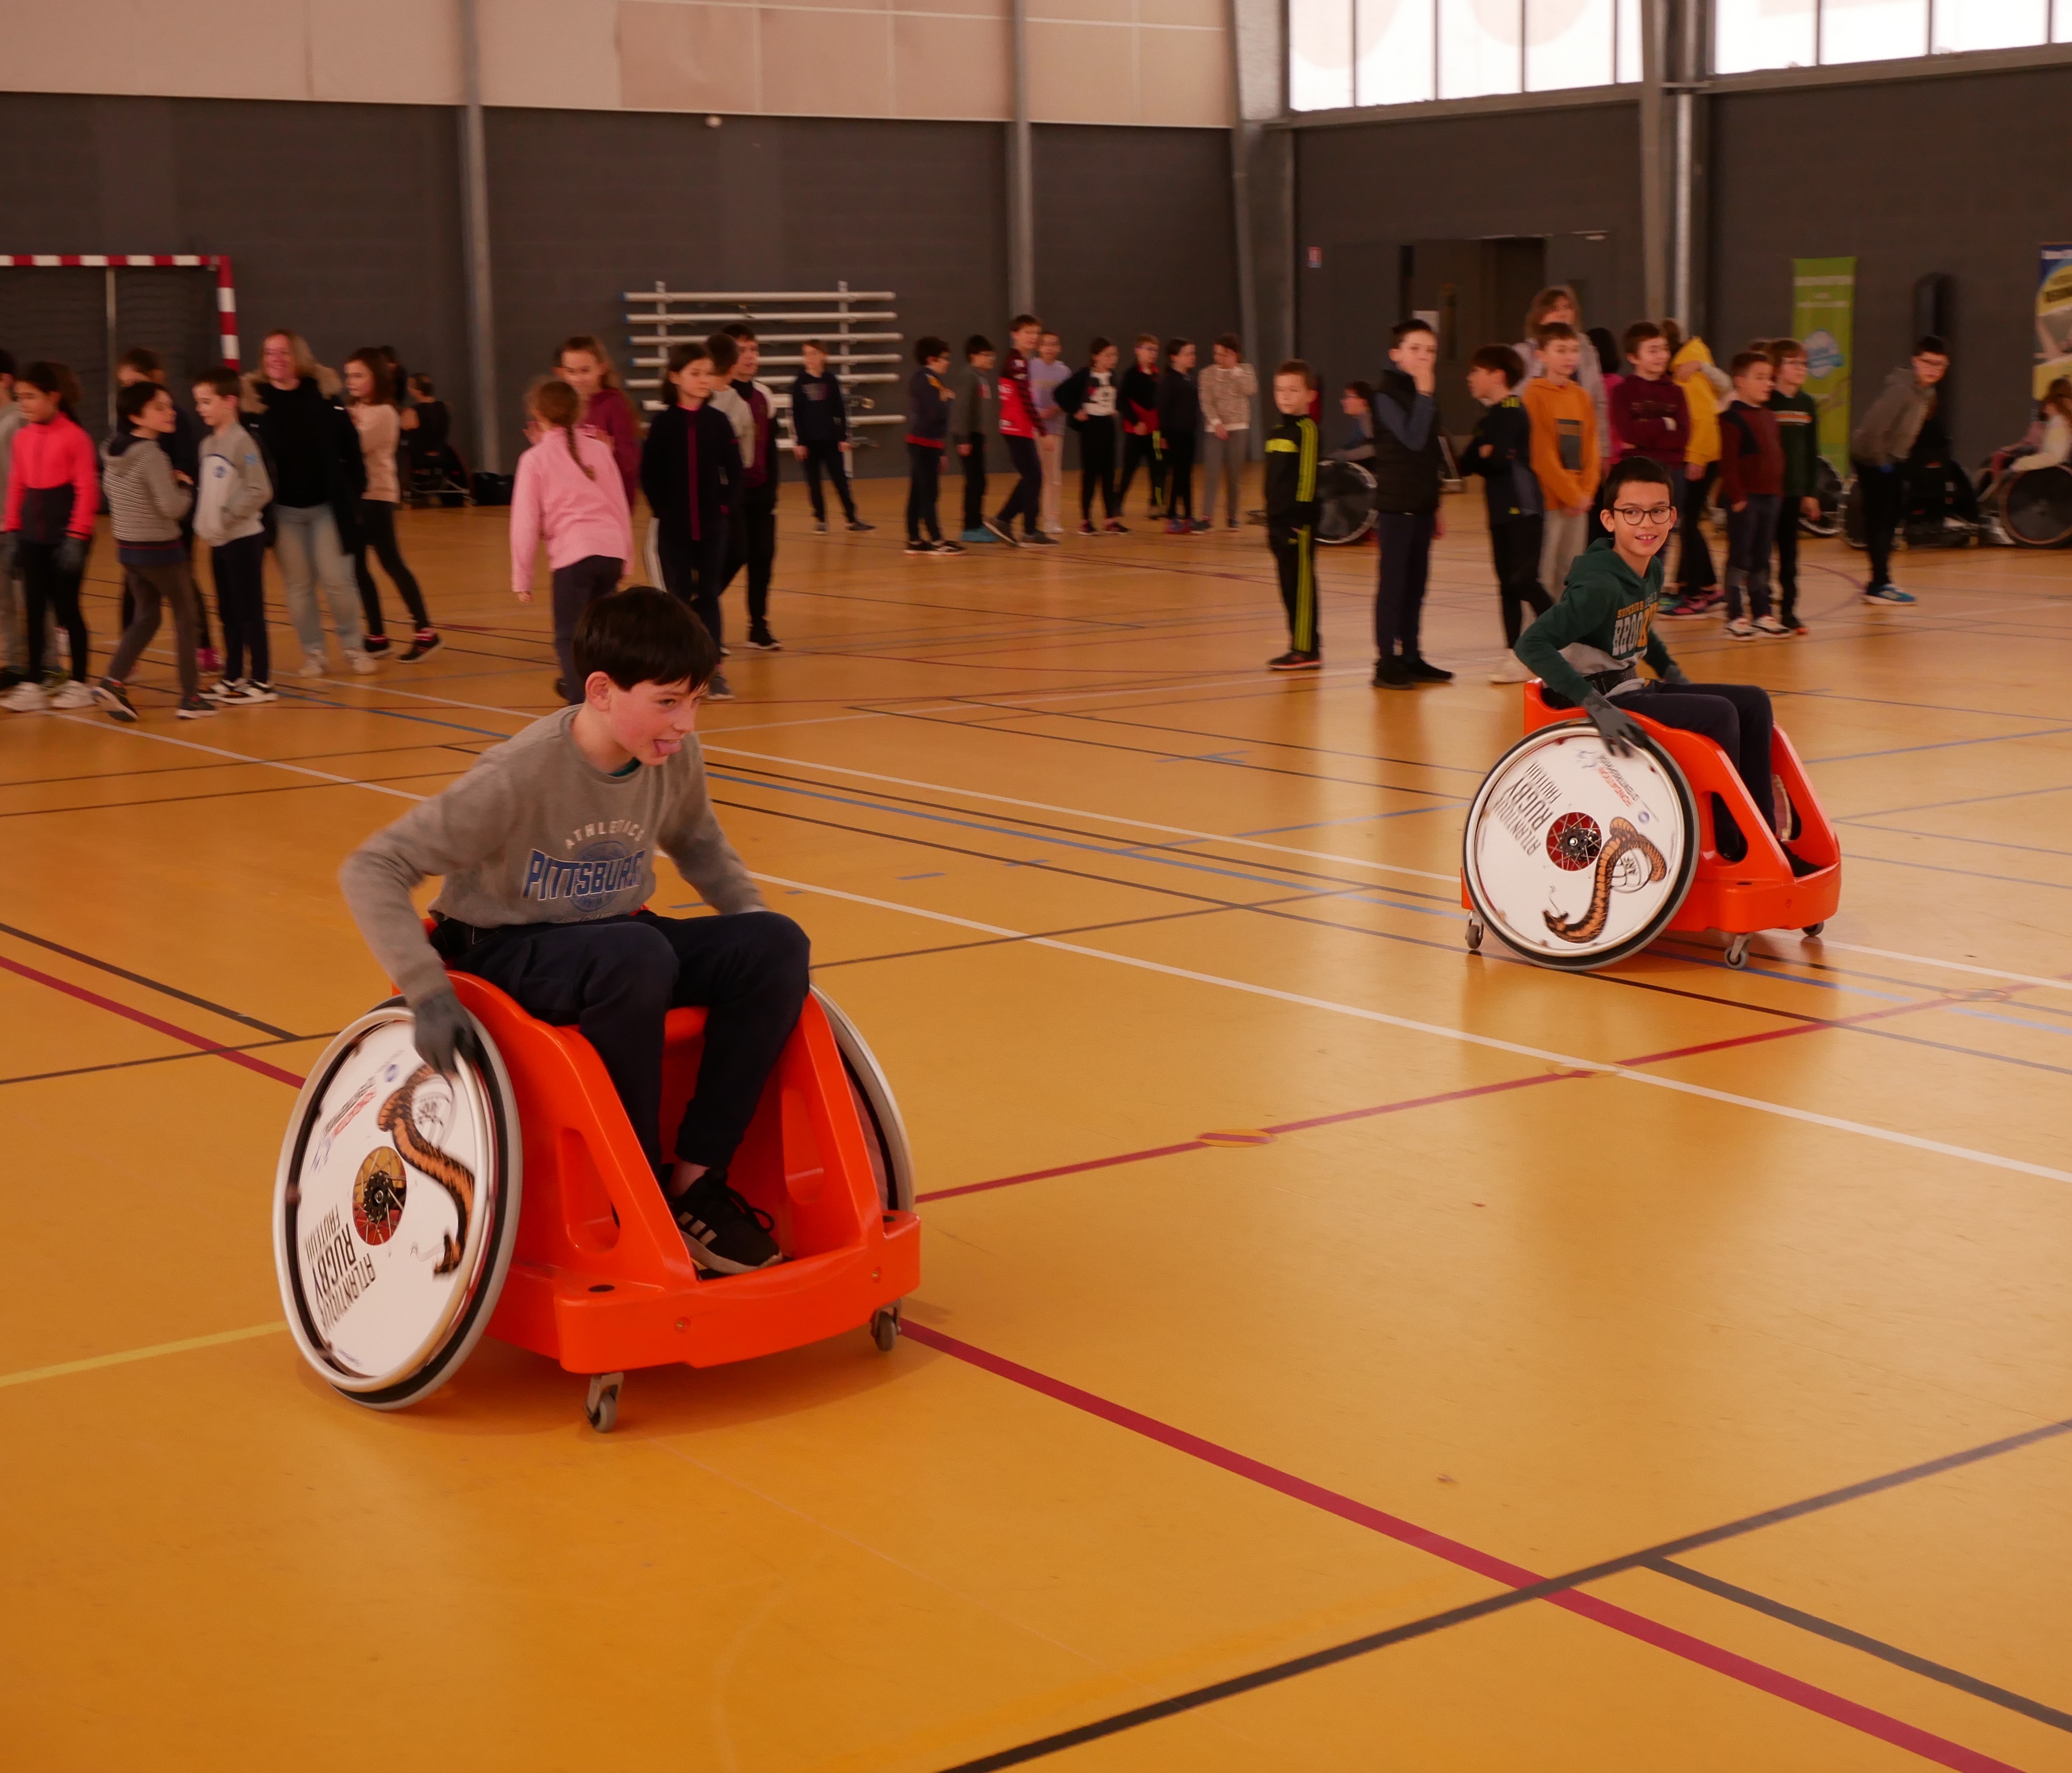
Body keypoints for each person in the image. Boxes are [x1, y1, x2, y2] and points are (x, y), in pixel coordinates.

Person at [340, 586, 810, 1273]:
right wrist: (428, 993)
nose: (684, 722)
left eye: (696, 700)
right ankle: (635, 1185)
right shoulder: (518, 774)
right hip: (502, 950)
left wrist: (760, 945)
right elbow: (373, 867)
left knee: (776, 943)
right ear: (600, 690)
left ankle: (695, 1186)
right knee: (636, 953)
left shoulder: (672, 756)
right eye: (667, 701)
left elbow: (701, 848)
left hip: (616, 940)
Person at [1516, 456, 1809, 871]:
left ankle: (1762, 836)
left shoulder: (1649, 570)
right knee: (1720, 715)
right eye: (1631, 512)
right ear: (1609, 519)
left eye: (1657, 512)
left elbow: (1638, 629)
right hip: (1592, 702)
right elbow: (1533, 644)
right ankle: (1734, 849)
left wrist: (1672, 673)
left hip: (1626, 689)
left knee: (1754, 702)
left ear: (1672, 517)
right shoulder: (1597, 586)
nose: (1646, 523)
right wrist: (1594, 705)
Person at [248, 330, 372, 676]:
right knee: (299, 587)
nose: (275, 359)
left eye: (283, 353)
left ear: (298, 357)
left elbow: (351, 449)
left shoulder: (324, 397)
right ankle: (313, 652)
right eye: (269, 353)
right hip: (283, 512)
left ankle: (353, 646)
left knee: (337, 580)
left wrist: (353, 490)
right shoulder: (255, 403)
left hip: (327, 508)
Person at [94, 381, 210, 721]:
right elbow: (172, 507)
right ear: (135, 415)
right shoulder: (152, 455)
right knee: (187, 617)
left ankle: (113, 681)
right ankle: (191, 697)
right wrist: (186, 487)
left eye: (170, 406)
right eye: (159, 407)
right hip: (161, 551)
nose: (169, 412)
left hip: (129, 550)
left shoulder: (112, 450)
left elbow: (131, 495)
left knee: (148, 616)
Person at [512, 376, 631, 701]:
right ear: (580, 411)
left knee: (569, 637)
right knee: (600, 634)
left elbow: (524, 521)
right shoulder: (598, 450)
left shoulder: (535, 459)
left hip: (574, 558)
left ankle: (583, 703)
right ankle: (612, 696)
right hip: (610, 553)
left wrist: (522, 577)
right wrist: (626, 558)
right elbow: (619, 505)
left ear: (538, 413)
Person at [640, 341, 742, 699]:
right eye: (695, 374)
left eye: (707, 374)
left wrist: (725, 506)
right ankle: (681, 670)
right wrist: (663, 509)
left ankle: (714, 670)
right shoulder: (664, 424)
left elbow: (733, 471)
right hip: (675, 530)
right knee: (680, 599)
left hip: (713, 528)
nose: (703, 380)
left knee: (710, 597)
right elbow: (649, 474)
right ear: (675, 377)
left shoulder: (719, 422)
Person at [0, 361, 99, 712]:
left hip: (65, 538)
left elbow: (88, 489)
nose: (23, 404)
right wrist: (11, 531)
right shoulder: (23, 438)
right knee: (34, 608)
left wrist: (77, 536)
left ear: (53, 397)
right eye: (20, 397)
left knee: (68, 610)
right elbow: (16, 486)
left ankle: (79, 683)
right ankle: (32, 682)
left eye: (31, 397)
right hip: (31, 537)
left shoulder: (75, 437)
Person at [115, 346, 213, 671]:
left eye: (136, 381)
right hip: (141, 524)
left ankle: (204, 649)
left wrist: (178, 481)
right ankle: (125, 662)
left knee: (184, 584)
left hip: (171, 518)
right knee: (138, 594)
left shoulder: (174, 419)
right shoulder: (127, 429)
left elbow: (184, 467)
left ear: (154, 379)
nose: (131, 389)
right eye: (125, 384)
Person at [342, 348, 439, 662]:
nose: (352, 382)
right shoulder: (354, 409)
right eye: (349, 376)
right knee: (357, 567)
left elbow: (351, 448)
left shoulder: (384, 412)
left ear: (377, 378)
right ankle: (377, 635)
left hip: (377, 497)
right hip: (355, 497)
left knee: (391, 563)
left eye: (359, 376)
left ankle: (425, 631)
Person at [1369, 319, 1449, 690]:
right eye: (1416, 349)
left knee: (1417, 585)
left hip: (1420, 503)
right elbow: (1414, 439)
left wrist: (1436, 505)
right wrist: (1425, 395)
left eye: (1430, 351)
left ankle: (1412, 655)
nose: (1424, 357)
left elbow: (1431, 453)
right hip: (1396, 504)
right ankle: (1386, 661)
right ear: (1396, 354)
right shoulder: (1385, 396)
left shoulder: (1423, 395)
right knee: (1394, 585)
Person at [1460, 344, 1548, 683]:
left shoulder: (1512, 411)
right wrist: (1486, 453)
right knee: (1507, 586)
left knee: (1523, 579)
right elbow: (1467, 462)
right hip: (1499, 511)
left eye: (1476, 372)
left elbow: (1495, 460)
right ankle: (1514, 653)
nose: (1470, 379)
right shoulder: (1488, 418)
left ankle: (1572, 636)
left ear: (1496, 375)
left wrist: (1488, 454)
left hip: (1523, 508)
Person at [190, 368, 276, 702]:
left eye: (207, 402)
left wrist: (226, 515)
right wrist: (207, 523)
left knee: (250, 610)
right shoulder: (207, 444)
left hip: (243, 538)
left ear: (230, 401)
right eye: (198, 402)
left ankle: (262, 680)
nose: (201, 408)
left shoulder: (243, 442)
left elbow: (260, 489)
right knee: (227, 610)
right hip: (219, 541)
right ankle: (234, 675)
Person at [718, 323, 787, 652]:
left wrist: (773, 490)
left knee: (763, 555)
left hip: (761, 491)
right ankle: (696, 610)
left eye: (754, 349)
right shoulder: (718, 397)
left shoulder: (765, 395)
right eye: (742, 350)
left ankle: (758, 625)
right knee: (735, 552)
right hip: (731, 493)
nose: (750, 356)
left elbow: (770, 447)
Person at [1522, 321, 1601, 595]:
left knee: (1571, 572)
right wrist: (1571, 495)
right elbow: (1542, 456)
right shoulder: (1533, 396)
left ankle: (1565, 631)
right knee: (1544, 575)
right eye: (1561, 350)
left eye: (1573, 350)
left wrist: (1586, 493)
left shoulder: (1581, 397)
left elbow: (1592, 449)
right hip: (1550, 502)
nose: (1569, 357)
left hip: (1578, 501)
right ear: (1541, 355)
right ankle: (1539, 635)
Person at [1716, 351, 1786, 639]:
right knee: (1740, 556)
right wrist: (1737, 496)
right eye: (1760, 378)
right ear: (1740, 381)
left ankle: (1763, 611)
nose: (1768, 384)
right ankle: (1735, 614)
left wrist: (1778, 492)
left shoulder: (1769, 415)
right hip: (1746, 500)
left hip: (1771, 497)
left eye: (1770, 378)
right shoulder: (1732, 418)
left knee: (1762, 556)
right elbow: (1728, 463)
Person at [1664, 320, 1727, 614]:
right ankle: (1704, 585)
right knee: (1688, 520)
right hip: (1706, 451)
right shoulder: (1694, 360)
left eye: (1659, 349)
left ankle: (1695, 594)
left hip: (1700, 453)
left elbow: (1702, 417)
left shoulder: (1685, 371)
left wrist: (1696, 458)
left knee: (1687, 522)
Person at [1263, 360, 1322, 672]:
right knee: (1287, 586)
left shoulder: (1307, 431)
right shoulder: (1276, 432)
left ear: (1310, 395)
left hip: (1297, 525)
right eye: (1280, 390)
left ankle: (1306, 648)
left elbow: (1308, 480)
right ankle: (1298, 644)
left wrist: (1299, 520)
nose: (1285, 397)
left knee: (1301, 587)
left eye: (1293, 390)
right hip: (1277, 522)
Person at [1765, 338, 1820, 636]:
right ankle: (1759, 608)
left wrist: (1810, 491)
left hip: (1794, 491)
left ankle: (1789, 611)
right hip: (1767, 491)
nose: (1801, 369)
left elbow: (1812, 452)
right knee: (1760, 555)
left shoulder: (1807, 404)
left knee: (1789, 555)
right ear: (1776, 367)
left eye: (1804, 364)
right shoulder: (1767, 402)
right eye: (1793, 363)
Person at [1516, 286, 1610, 457]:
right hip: (1537, 438)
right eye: (1553, 309)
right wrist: (1543, 356)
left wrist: (1603, 450)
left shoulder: (1587, 350)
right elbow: (1511, 398)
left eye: (1567, 307)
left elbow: (1598, 401)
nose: (1562, 314)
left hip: (1578, 434)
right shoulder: (1524, 353)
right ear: (1540, 315)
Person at [556, 336, 642, 516]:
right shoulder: (563, 405)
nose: (578, 379)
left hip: (607, 504)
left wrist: (607, 456)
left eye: (585, 371)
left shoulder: (614, 405)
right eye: (571, 372)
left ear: (602, 368)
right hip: (574, 503)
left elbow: (630, 460)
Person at [987, 314, 1051, 547]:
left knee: (1034, 477)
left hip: (1020, 427)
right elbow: (1024, 399)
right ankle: (1003, 519)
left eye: (1036, 333)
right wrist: (1043, 431)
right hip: (1016, 427)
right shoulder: (1016, 362)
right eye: (1028, 332)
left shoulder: (1021, 361)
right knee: (1033, 477)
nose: (1033, 337)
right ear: (1015, 335)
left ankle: (1030, 530)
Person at [789, 339, 867, 533]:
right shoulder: (799, 383)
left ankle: (852, 519)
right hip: (809, 442)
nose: (810, 358)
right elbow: (796, 415)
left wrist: (843, 437)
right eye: (806, 354)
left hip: (830, 440)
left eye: (814, 353)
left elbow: (840, 410)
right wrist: (800, 442)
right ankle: (821, 519)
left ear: (823, 356)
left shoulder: (831, 380)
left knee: (841, 480)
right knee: (814, 483)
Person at [1610, 322, 1689, 492]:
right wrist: (1666, 423)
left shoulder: (1676, 392)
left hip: (1672, 471)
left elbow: (1683, 437)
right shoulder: (1623, 391)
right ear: (1633, 357)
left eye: (1665, 349)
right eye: (1653, 351)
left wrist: (1644, 433)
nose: (1662, 356)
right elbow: (1628, 433)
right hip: (1636, 472)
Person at [1056, 337, 1123, 536]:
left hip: (1107, 426)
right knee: (1091, 474)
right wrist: (1076, 410)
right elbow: (1060, 393)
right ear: (1096, 356)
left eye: (1115, 355)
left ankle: (1110, 519)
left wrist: (1114, 409)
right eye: (1108, 355)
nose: (1112, 359)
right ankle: (1086, 520)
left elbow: (1111, 398)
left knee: (1109, 474)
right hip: (1091, 426)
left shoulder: (1112, 375)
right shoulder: (1085, 375)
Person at [904, 337, 959, 556]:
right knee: (928, 492)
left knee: (919, 491)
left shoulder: (934, 380)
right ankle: (937, 539)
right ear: (931, 359)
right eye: (945, 359)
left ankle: (914, 539)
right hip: (923, 442)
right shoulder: (925, 380)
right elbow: (936, 411)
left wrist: (942, 450)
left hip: (931, 443)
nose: (948, 363)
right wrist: (949, 399)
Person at [1198, 335, 1256, 532]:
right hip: (1214, 429)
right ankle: (1207, 517)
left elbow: (1250, 390)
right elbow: (1206, 401)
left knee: (1234, 475)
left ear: (1234, 354)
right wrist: (1216, 423)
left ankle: (1232, 516)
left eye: (1224, 354)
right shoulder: (1206, 374)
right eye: (1217, 354)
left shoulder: (1245, 371)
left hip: (1239, 427)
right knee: (1212, 473)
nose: (1219, 358)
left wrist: (1235, 371)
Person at [952, 335, 997, 544]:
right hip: (968, 436)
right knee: (975, 482)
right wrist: (963, 438)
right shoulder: (968, 376)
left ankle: (977, 523)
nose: (991, 360)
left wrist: (983, 435)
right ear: (974, 356)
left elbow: (981, 412)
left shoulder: (981, 377)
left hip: (977, 436)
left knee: (980, 482)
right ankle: (970, 527)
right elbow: (961, 410)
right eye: (986, 356)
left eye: (992, 356)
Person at [0, 351, 28, 692]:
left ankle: (47, 665)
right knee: (3, 601)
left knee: (29, 599)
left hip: (17, 524)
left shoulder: (18, 419)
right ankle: (12, 662)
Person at [1156, 339, 1202, 535]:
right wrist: (1164, 435)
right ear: (1174, 357)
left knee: (1186, 475)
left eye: (1193, 353)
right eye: (1188, 354)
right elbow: (1163, 410)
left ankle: (1189, 516)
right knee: (1177, 475)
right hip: (1174, 433)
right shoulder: (1169, 380)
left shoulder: (1190, 379)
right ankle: (1172, 516)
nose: (1192, 357)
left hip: (1189, 433)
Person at [1030, 330, 1073, 534]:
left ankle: (1051, 519)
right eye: (1045, 344)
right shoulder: (1030, 367)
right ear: (1039, 347)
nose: (1049, 348)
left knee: (1053, 476)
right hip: (1032, 428)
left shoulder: (1064, 372)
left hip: (1054, 430)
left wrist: (1056, 409)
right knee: (1032, 475)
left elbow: (1070, 399)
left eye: (1054, 344)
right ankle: (1032, 518)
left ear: (1060, 348)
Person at [1116, 334, 1165, 517]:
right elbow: (1121, 401)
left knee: (1157, 469)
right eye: (1148, 349)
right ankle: (1118, 502)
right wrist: (1136, 423)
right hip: (1135, 431)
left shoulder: (1158, 376)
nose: (1152, 354)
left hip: (1155, 432)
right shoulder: (1130, 375)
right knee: (1129, 469)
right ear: (1138, 350)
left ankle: (1156, 504)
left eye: (1155, 350)